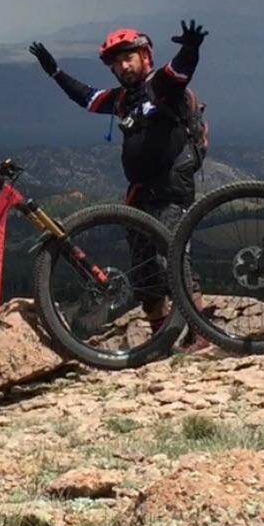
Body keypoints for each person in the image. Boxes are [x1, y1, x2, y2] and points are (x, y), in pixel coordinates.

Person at [26, 21, 207, 337]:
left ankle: (202, 335)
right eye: (116, 62)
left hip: (170, 188)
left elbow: (181, 70)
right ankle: (160, 339)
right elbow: (86, 97)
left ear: (144, 57)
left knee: (173, 259)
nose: (123, 66)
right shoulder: (122, 98)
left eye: (129, 57)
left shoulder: (162, 86)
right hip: (138, 193)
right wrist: (55, 73)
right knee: (144, 269)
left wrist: (190, 49)